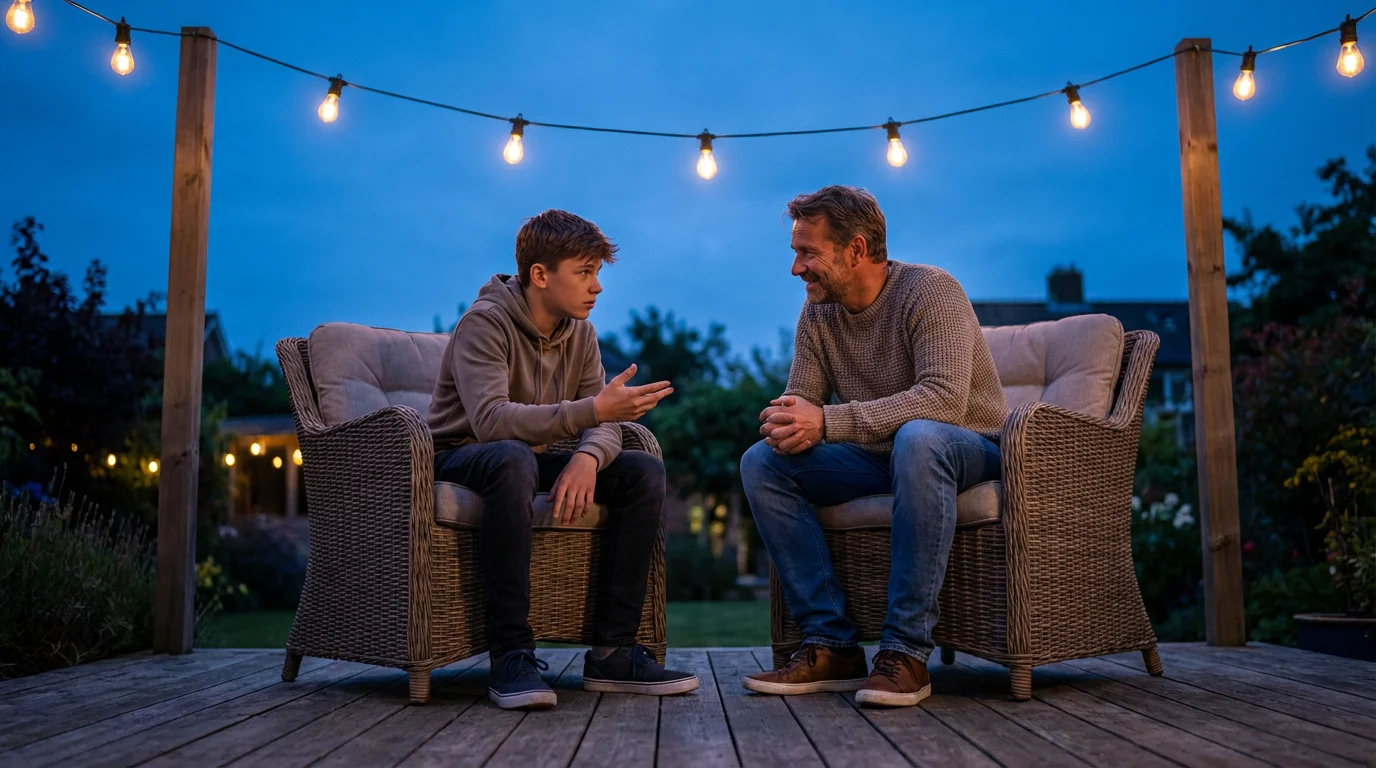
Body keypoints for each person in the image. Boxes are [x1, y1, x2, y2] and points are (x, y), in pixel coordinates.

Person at [740, 186, 1008, 707]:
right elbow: (806, 402)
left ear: (856, 250)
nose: (796, 268)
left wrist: (828, 421)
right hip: (885, 455)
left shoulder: (930, 291)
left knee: (919, 436)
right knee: (763, 463)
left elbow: (944, 400)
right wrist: (786, 419)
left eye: (807, 252)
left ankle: (906, 652)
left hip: (971, 449)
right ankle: (832, 644)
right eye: (796, 252)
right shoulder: (818, 313)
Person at [428, 209, 699, 710]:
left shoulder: (581, 334)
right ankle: (511, 655)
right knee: (511, 458)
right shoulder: (483, 324)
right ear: (540, 275)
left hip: (524, 459)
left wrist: (589, 459)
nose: (597, 287)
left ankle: (613, 652)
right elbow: (490, 421)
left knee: (643, 471)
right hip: (458, 458)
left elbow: (605, 424)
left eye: (598, 273)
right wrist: (593, 411)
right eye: (584, 272)